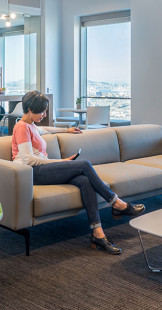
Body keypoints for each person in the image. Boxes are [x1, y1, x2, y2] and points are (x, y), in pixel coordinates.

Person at [12, 91, 145, 255]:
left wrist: (67, 130)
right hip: (32, 172)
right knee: (84, 165)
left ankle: (98, 234)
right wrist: (62, 162)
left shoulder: (30, 125)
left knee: (84, 181)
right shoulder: (21, 128)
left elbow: (44, 130)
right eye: (42, 111)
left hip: (41, 169)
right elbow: (28, 160)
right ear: (31, 109)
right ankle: (116, 203)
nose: (45, 114)